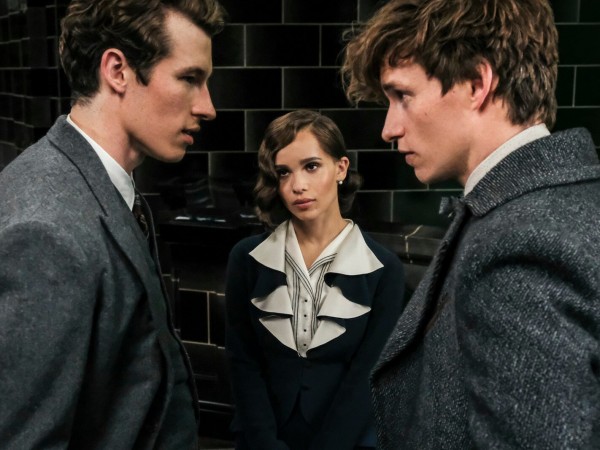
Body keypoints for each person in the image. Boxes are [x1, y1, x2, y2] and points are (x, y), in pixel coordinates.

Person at [341, 0, 600, 448]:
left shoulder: (520, 246)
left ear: (477, 83)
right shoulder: (557, 201)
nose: (389, 128)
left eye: (403, 96)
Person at [0, 0, 225, 448]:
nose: (207, 107)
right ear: (118, 71)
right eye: (189, 79)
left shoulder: (96, 181)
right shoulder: (47, 232)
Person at [224, 110, 405, 450]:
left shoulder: (384, 269)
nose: (297, 186)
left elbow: (367, 376)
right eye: (283, 172)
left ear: (341, 168)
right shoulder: (247, 259)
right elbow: (243, 362)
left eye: (311, 166)